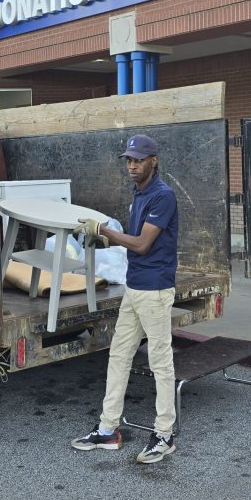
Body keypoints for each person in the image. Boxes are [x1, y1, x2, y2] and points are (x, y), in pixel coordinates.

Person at [71, 133, 179, 464]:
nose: (132, 165)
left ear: (154, 161)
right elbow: (132, 240)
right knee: (119, 355)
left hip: (155, 289)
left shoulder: (163, 196)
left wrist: (103, 230)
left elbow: (143, 244)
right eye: (129, 160)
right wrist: (104, 242)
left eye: (138, 160)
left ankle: (164, 434)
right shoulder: (140, 193)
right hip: (135, 287)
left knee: (160, 360)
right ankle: (108, 429)